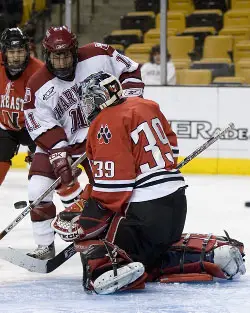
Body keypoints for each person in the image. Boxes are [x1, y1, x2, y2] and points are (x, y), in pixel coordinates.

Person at [51, 71, 187, 294]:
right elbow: (171, 149)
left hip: (146, 213)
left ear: (101, 97)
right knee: (154, 254)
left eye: (89, 101)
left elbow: (113, 192)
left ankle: (107, 270)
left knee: (97, 240)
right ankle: (204, 256)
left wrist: (84, 224)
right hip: (177, 203)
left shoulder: (106, 121)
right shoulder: (146, 105)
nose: (86, 107)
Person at [23, 26, 145, 260]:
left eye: (66, 54)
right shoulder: (37, 84)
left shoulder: (98, 54)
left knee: (110, 190)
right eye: (56, 56)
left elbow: (130, 70)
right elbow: (37, 120)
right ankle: (44, 245)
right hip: (60, 139)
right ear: (47, 55)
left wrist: (129, 104)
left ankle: (110, 234)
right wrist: (58, 151)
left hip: (100, 134)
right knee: (38, 188)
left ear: (75, 51)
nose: (61, 61)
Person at [0, 27, 43, 186]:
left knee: (47, 173)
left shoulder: (39, 72)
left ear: (27, 51)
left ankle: (73, 199)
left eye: (19, 51)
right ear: (4, 53)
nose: (16, 57)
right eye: (11, 52)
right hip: (5, 127)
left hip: (35, 128)